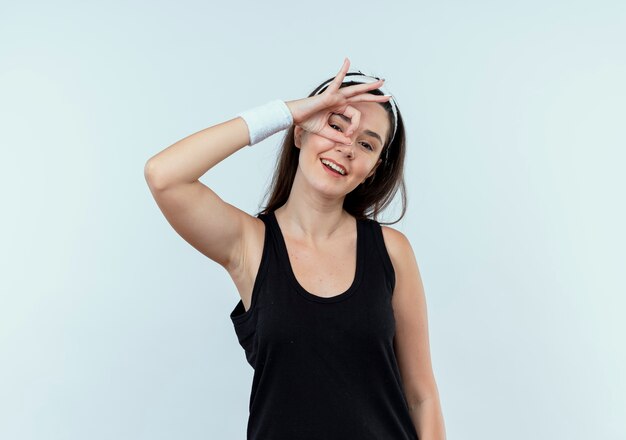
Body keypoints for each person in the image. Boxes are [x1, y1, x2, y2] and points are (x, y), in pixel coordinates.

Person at [144, 57, 446, 440]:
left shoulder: (391, 251)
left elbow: (422, 397)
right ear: (300, 132)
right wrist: (286, 113)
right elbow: (164, 175)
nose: (347, 147)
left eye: (366, 144)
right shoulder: (249, 243)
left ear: (373, 167)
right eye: (336, 125)